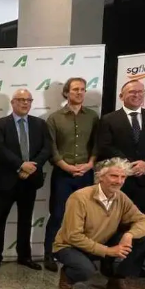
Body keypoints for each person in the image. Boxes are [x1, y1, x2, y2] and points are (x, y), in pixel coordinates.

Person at [54, 158, 145, 289]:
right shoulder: (80, 197)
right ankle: (68, 276)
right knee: (86, 271)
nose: (119, 181)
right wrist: (108, 251)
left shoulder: (121, 197)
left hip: (101, 242)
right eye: (114, 176)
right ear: (100, 176)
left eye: (123, 177)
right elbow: (73, 236)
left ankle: (117, 280)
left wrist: (129, 234)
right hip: (70, 246)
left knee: (144, 239)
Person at [0, 88, 52, 271]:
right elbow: (0, 149)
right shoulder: (0, 124)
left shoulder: (40, 124)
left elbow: (46, 148)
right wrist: (21, 165)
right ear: (13, 102)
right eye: (21, 99)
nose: (25, 103)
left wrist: (32, 167)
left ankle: (24, 256)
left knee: (25, 220)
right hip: (5, 180)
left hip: (30, 180)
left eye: (28, 100)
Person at [44, 77, 100, 272]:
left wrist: (90, 164)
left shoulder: (92, 116)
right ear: (66, 92)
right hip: (63, 175)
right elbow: (51, 147)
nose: (79, 92)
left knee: (85, 216)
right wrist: (66, 166)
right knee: (58, 214)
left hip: (86, 174)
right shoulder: (54, 118)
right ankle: (49, 254)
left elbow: (96, 144)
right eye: (75, 89)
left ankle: (82, 256)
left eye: (82, 89)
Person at [97, 80, 145, 217]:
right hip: (120, 179)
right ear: (121, 96)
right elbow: (105, 146)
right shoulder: (108, 119)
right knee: (116, 218)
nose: (137, 95)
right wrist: (129, 165)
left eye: (140, 92)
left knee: (143, 219)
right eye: (132, 92)